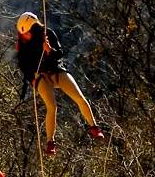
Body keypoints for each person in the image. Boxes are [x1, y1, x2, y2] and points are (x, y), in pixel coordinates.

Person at [15, 12, 104, 156]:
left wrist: (50, 50)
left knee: (79, 97)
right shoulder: (23, 44)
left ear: (33, 29)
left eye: (26, 33)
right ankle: (50, 141)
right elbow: (23, 65)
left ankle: (93, 126)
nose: (24, 36)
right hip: (40, 76)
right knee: (52, 106)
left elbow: (59, 54)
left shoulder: (47, 34)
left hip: (56, 71)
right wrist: (32, 79)